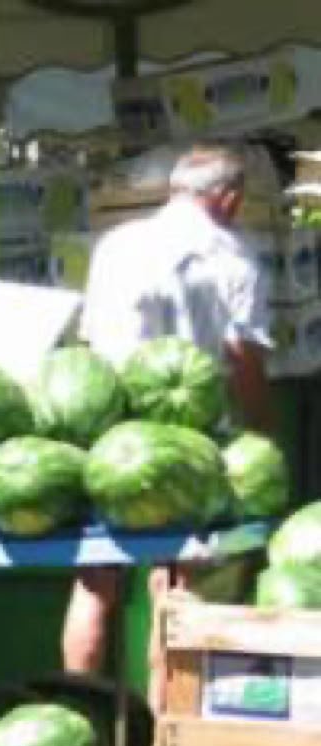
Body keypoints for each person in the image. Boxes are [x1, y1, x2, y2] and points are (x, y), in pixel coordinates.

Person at [63, 144, 275, 715]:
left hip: (110, 442)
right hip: (188, 448)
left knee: (96, 584)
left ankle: (77, 722)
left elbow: (89, 345)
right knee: (177, 590)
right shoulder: (234, 257)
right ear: (228, 200)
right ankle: (164, 742)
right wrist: (263, 435)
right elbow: (243, 359)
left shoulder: (115, 245)